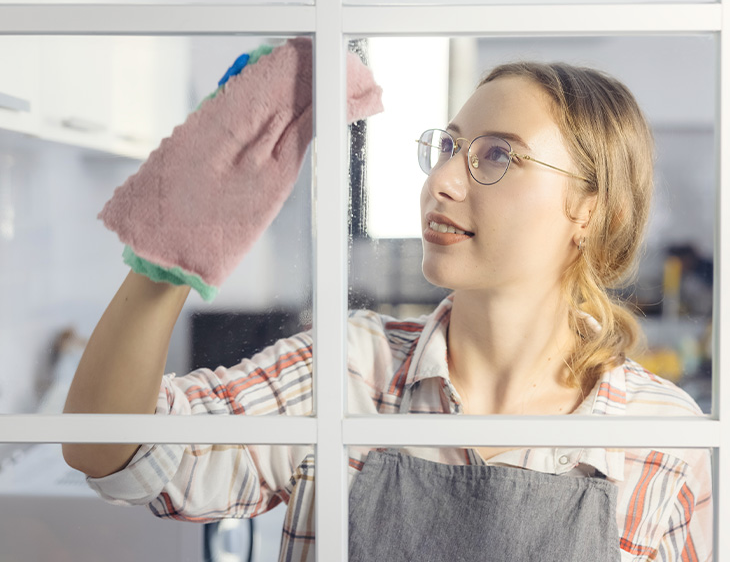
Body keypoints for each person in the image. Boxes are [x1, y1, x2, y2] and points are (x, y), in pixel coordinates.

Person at [62, 54, 712, 561]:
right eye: (450, 146)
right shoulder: (348, 371)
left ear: (592, 212)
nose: (444, 180)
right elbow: (116, 452)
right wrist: (174, 251)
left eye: (496, 156)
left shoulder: (663, 438)